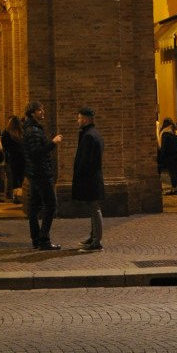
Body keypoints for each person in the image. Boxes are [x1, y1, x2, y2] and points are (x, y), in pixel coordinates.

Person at [22, 101, 62, 250]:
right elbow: (36, 153)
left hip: (35, 172)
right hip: (41, 173)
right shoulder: (33, 130)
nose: (43, 112)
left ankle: (36, 239)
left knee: (34, 206)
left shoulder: (32, 128)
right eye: (40, 110)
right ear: (33, 113)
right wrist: (53, 143)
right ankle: (43, 239)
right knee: (51, 205)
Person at [72, 107, 105, 252]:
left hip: (90, 179)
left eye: (79, 118)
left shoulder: (89, 136)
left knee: (95, 209)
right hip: (93, 178)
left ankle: (96, 242)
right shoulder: (93, 134)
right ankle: (93, 237)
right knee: (93, 209)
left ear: (85, 119)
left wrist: (80, 175)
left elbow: (86, 160)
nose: (77, 120)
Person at [1, 115, 26, 203]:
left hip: (12, 158)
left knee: (14, 178)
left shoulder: (6, 133)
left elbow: (4, 146)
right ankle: (22, 195)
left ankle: (16, 196)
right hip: (22, 158)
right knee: (22, 177)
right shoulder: (22, 132)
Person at [158, 118, 177, 195]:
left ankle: (175, 189)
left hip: (169, 156)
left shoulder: (165, 133)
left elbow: (164, 146)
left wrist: (162, 156)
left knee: (172, 173)